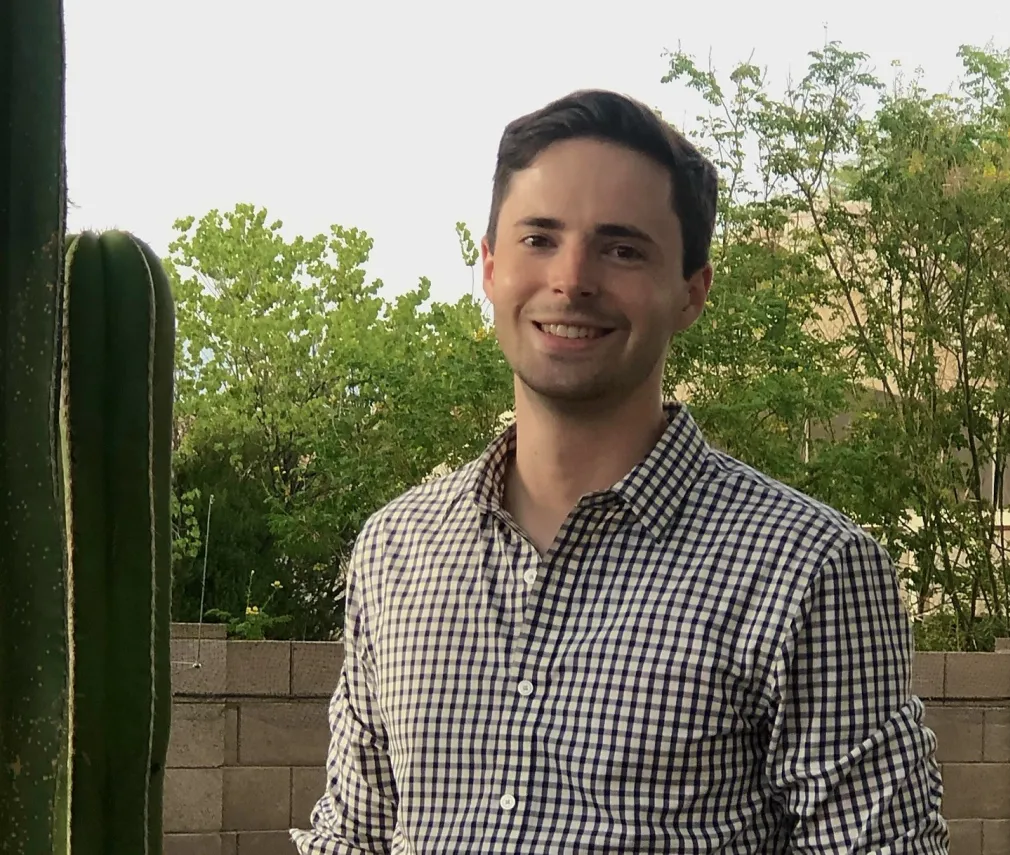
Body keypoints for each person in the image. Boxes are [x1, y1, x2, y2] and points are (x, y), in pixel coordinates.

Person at [290, 89, 950, 854]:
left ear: (692, 293)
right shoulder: (394, 551)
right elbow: (356, 833)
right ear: (491, 268)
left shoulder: (809, 570)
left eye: (623, 248)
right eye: (540, 238)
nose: (572, 279)